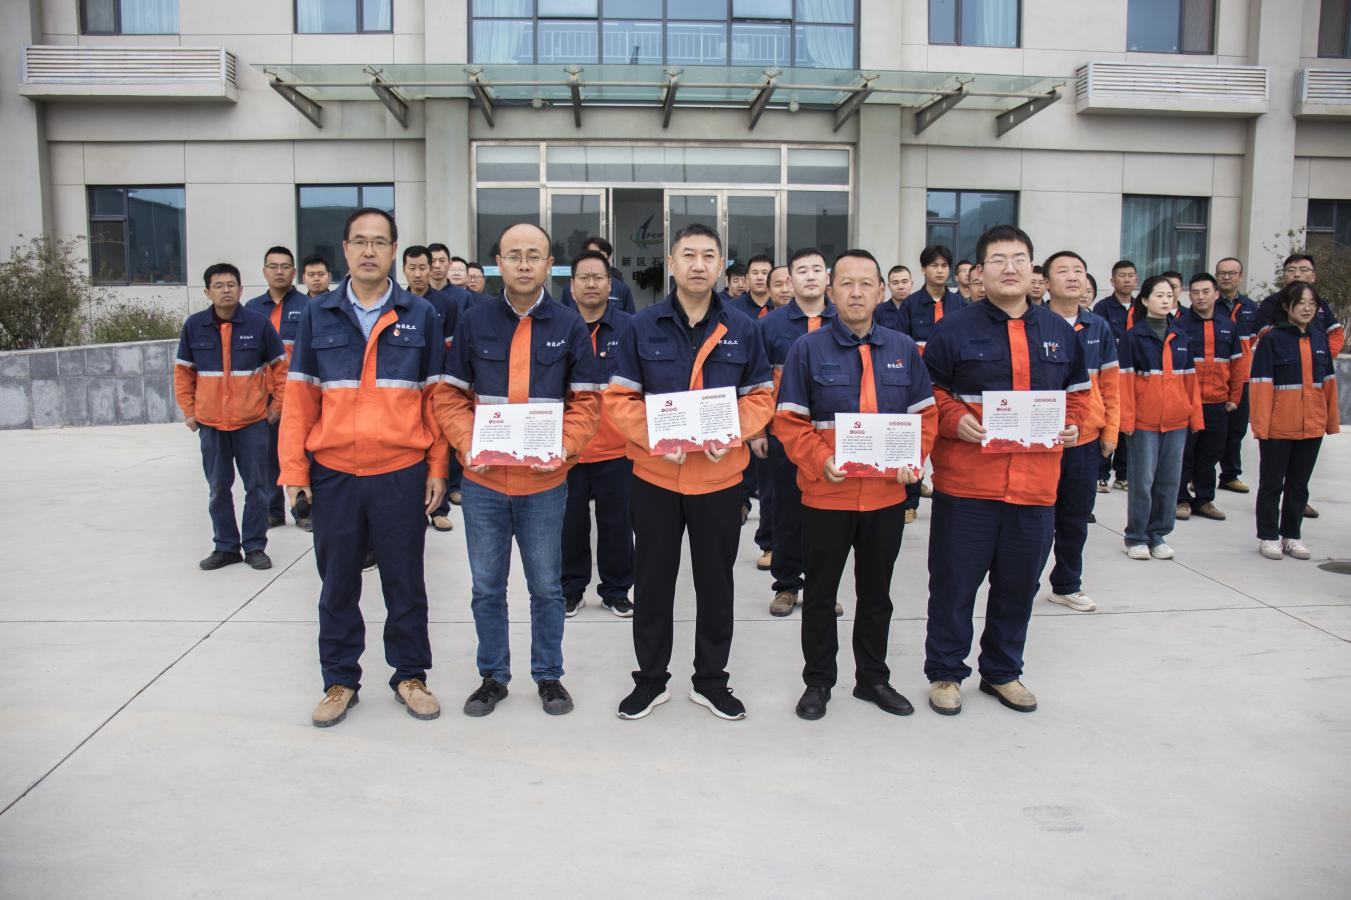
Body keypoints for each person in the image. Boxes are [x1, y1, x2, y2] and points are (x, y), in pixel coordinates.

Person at [279, 207, 448, 728]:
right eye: (360, 241)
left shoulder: (420, 314)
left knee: (405, 582)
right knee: (337, 585)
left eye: (379, 242)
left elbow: (435, 400)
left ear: (395, 250)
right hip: (335, 474)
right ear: (345, 250)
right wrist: (294, 474)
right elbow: (299, 400)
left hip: (400, 471)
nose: (369, 251)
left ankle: (410, 676)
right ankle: (339, 681)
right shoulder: (318, 314)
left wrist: (437, 467)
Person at [605, 223, 775, 722]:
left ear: (720, 265)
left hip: (719, 481)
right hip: (656, 478)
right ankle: (650, 679)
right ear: (672, 263)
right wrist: (657, 439)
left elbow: (761, 396)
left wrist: (731, 433)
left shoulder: (743, 328)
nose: (698, 265)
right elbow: (620, 399)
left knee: (716, 584)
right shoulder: (642, 326)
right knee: (652, 582)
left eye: (708, 256)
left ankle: (711, 680)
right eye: (688, 255)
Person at [922, 225, 1090, 717]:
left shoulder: (1059, 332)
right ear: (979, 272)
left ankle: (1002, 671)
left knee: (1019, 586)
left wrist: (1074, 425)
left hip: (1035, 487)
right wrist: (955, 419)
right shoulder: (953, 330)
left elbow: (1080, 395)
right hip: (968, 485)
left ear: (1033, 269)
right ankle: (946, 672)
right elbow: (928, 393)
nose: (1009, 268)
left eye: (1019, 259)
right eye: (998, 260)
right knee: (954, 585)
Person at [434, 223, 601, 718]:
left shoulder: (569, 325)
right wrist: (468, 443)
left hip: (544, 485)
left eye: (534, 255)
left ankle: (549, 675)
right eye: (514, 255)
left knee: (547, 587)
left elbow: (587, 403)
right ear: (498, 264)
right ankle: (493, 676)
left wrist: (564, 448)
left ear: (550, 265)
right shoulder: (474, 322)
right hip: (484, 483)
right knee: (487, 587)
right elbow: (450, 396)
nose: (524, 264)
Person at [775, 249, 937, 721]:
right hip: (827, 494)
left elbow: (926, 416)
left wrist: (912, 459)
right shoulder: (807, 350)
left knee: (876, 595)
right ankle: (818, 682)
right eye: (846, 283)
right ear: (831, 292)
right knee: (820, 595)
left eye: (867, 283)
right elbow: (789, 421)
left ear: (881, 292)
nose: (856, 292)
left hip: (885, 497)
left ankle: (872, 679)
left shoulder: (903, 349)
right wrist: (820, 459)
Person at [175, 262, 286, 572]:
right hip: (211, 424)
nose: (226, 290)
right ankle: (225, 547)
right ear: (207, 292)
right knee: (218, 488)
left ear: (240, 289)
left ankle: (254, 547)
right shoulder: (194, 326)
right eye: (219, 286)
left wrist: (276, 406)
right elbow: (183, 373)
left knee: (258, 488)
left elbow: (280, 368)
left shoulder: (258, 324)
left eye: (231, 285)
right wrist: (189, 411)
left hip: (252, 423)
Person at [754, 247, 838, 618]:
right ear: (790, 280)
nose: (810, 276)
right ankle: (787, 586)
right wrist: (757, 431)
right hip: (784, 437)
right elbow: (757, 383)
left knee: (828, 519)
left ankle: (822, 589)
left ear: (827, 277)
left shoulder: (844, 321)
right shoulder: (770, 326)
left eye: (817, 269)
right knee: (786, 513)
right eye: (802, 270)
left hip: (833, 439)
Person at [560, 250, 635, 618]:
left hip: (617, 448)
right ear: (572, 286)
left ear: (611, 285)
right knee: (569, 525)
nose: (591, 284)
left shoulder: (630, 328)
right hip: (568, 448)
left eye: (598, 277)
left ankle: (616, 590)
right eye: (584, 277)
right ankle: (571, 590)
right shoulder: (557, 326)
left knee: (617, 525)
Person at [1043, 250, 1118, 613]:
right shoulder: (1034, 323)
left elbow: (1112, 384)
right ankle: (1023, 583)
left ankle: (1067, 584)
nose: (1073, 277)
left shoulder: (1098, 327)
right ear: (1046, 282)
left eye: (1079, 271)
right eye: (1063, 271)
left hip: (1085, 439)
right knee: (1037, 518)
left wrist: (1111, 430)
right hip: (1042, 440)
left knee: (1075, 518)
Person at [1249, 281, 1340, 560]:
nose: (1307, 308)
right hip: (1278, 427)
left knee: (1299, 485)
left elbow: (1328, 383)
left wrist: (1330, 422)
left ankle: (1292, 535)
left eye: (1312, 304)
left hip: (1311, 426)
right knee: (1272, 484)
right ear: (1287, 306)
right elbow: (1261, 385)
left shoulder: (1319, 339)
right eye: (1301, 303)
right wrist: (1261, 426)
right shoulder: (1271, 339)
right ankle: (1268, 536)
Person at [1118, 276, 1203, 561]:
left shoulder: (1181, 336)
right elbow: (1124, 382)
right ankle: (1136, 536)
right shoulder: (1133, 337)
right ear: (1144, 300)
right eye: (1159, 295)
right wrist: (1127, 420)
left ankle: (1158, 534)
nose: (1166, 300)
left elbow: (1190, 381)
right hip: (1144, 422)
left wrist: (1195, 417)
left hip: (1177, 421)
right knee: (1142, 481)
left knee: (1169, 481)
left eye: (1169, 295)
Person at [891, 246, 968, 525]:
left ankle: (949, 497)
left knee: (948, 444)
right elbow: (900, 345)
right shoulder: (911, 305)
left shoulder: (961, 305)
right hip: (917, 385)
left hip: (949, 386)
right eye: (934, 265)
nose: (940, 270)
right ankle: (909, 502)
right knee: (914, 444)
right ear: (923, 270)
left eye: (944, 266)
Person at [244, 246, 311, 529]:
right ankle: (273, 510)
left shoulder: (309, 306)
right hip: (265, 394)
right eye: (273, 267)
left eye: (285, 267)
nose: (279, 272)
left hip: (299, 393)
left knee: (301, 452)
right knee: (267, 454)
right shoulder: (251, 308)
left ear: (294, 272)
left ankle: (303, 511)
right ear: (264, 271)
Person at [1174, 273, 1248, 523]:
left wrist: (1234, 397)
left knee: (1211, 453)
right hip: (1188, 403)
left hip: (1218, 402)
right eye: (1195, 292)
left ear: (1216, 294)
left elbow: (1237, 364)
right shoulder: (1180, 325)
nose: (1200, 297)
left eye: (1205, 291)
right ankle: (1181, 499)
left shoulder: (1228, 326)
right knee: (1185, 453)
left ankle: (1204, 499)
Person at [402, 245, 464, 533]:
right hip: (406, 386)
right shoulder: (397, 303)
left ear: (431, 269)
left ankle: (439, 509)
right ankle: (414, 509)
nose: (418, 273)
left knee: (440, 444)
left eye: (422, 267)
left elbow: (452, 346)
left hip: (437, 383)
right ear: (404, 270)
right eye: (412, 268)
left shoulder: (445, 303)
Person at [1214, 256, 1258, 494]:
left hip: (1242, 378)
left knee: (1237, 430)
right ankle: (1200, 475)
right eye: (1222, 273)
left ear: (1240, 277)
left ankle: (1230, 475)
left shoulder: (1251, 308)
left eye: (1231, 273)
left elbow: (1257, 339)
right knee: (1210, 431)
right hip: (1215, 378)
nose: (1226, 277)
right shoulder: (1209, 305)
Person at [1094, 260, 1138, 491]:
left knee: (1127, 422)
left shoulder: (1141, 307)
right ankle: (1101, 474)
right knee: (1108, 420)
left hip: (1134, 374)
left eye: (1130, 275)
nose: (1126, 279)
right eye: (1122, 275)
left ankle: (1123, 474)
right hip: (1110, 370)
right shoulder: (1102, 308)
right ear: (1112, 281)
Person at [559, 237, 636, 313]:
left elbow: (629, 318)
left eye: (600, 256)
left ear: (608, 258)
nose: (591, 285)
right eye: (592, 255)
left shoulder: (622, 289)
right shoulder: (570, 288)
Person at [731, 254, 775, 321]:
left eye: (764, 273)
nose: (760, 277)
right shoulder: (733, 308)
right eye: (755, 273)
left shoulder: (781, 305)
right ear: (747, 277)